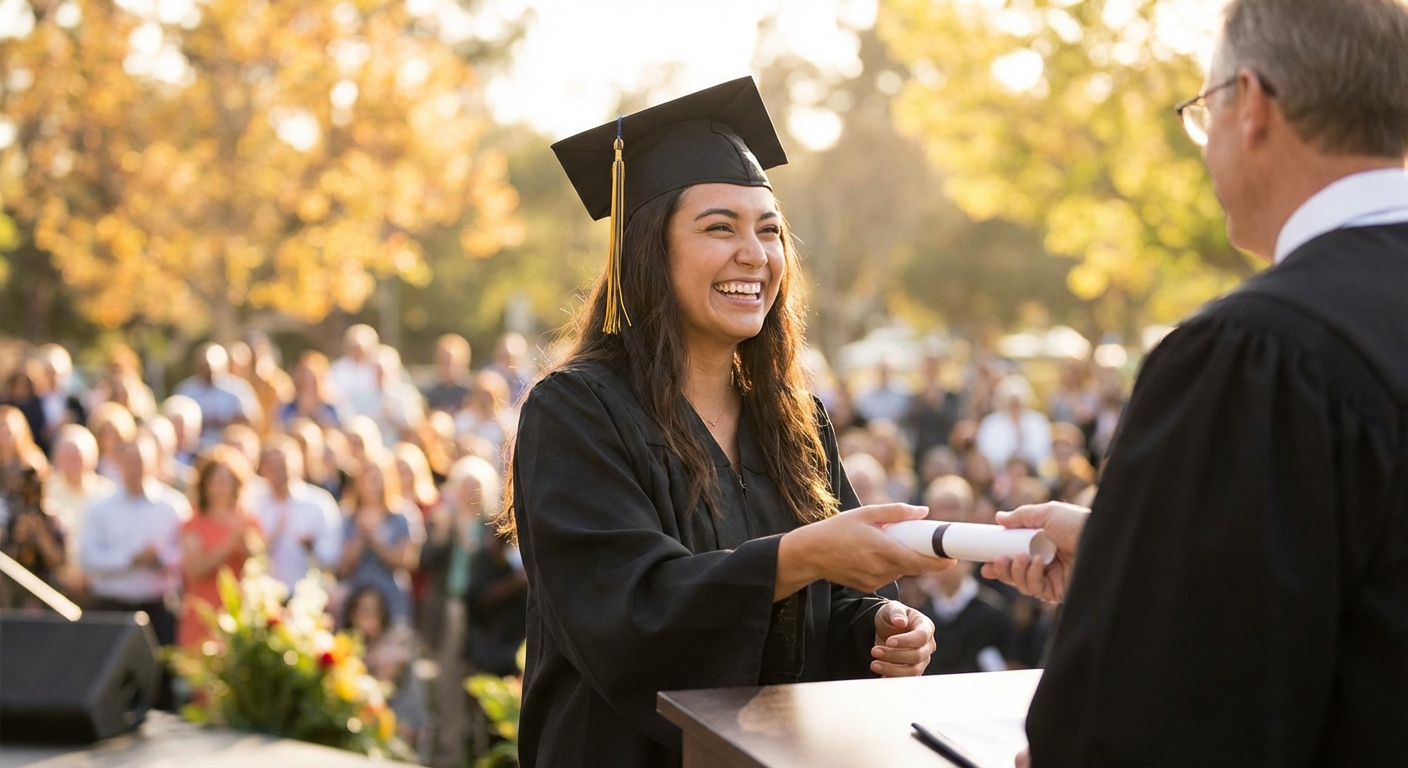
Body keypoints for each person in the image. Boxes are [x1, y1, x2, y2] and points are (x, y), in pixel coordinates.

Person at [983, 2, 1408, 764]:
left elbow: (1163, 725)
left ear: (1251, 105)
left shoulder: (1259, 354)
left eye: (1201, 110)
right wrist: (1131, 556)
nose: (1204, 143)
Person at [508, 78, 949, 767]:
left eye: (769, 230)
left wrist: (884, 628)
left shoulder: (794, 419)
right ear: (647, 248)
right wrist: (798, 557)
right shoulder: (575, 412)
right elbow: (627, 616)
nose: (755, 254)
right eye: (720, 227)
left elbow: (830, 609)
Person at [80, 434, 189, 649]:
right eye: (130, 462)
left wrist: (161, 559)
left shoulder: (173, 505)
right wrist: (130, 559)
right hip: (111, 610)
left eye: (140, 461)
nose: (135, 468)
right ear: (119, 463)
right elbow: (88, 559)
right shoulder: (100, 506)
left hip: (158, 610)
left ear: (153, 462)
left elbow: (186, 553)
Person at [178, 445, 260, 652]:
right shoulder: (195, 523)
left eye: (226, 482)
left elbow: (259, 563)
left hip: (239, 615)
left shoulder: (248, 520)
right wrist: (231, 542)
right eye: (215, 482)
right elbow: (195, 570)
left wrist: (247, 543)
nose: (221, 488)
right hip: (203, 613)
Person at [337, 451, 420, 625]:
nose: (373, 485)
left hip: (391, 596)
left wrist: (375, 540)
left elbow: (408, 561)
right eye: (368, 479)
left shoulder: (403, 516)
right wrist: (361, 538)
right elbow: (343, 565)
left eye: (378, 479)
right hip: (356, 596)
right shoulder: (348, 517)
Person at [252, 436, 342, 592]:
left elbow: (333, 555)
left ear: (299, 465)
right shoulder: (253, 503)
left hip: (308, 599)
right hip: (265, 599)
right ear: (263, 469)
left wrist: (312, 546)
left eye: (284, 466)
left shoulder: (319, 503)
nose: (280, 473)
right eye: (273, 466)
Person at [173, 344, 260, 447]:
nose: (208, 369)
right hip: (192, 448)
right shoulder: (186, 390)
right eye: (204, 365)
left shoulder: (238, 390)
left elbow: (251, 418)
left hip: (229, 447)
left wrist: (227, 424)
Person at [423, 333, 473, 414]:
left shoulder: (472, 393)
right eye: (443, 362)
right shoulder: (429, 394)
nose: (448, 368)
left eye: (453, 363)